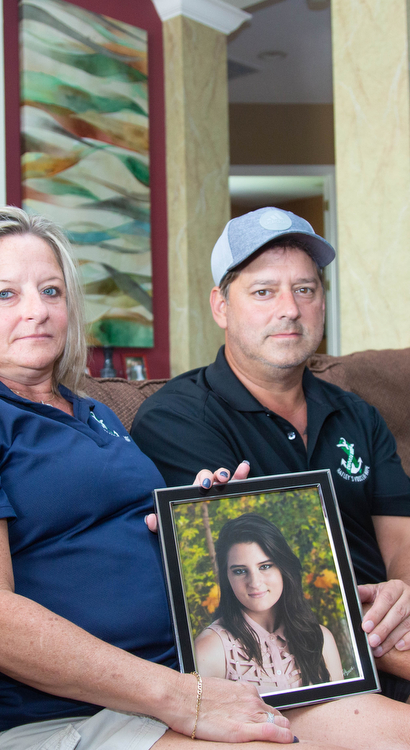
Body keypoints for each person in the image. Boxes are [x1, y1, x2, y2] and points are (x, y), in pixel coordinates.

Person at [0, 207, 308, 750]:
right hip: (62, 717)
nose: (37, 311)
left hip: (190, 673)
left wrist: (196, 523)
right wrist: (180, 696)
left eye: (51, 291)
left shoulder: (92, 411)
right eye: (5, 294)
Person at [132, 206, 410, 746]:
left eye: (305, 289)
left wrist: (402, 592)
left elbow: (399, 535)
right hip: (299, 668)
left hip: (387, 631)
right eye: (264, 292)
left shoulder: (357, 412)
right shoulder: (177, 419)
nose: (290, 309)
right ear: (221, 305)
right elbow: (265, 591)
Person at [195, 514, 343, 692]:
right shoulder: (209, 650)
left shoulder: (321, 638)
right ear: (227, 578)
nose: (255, 583)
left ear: (283, 568)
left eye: (265, 566)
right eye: (240, 571)